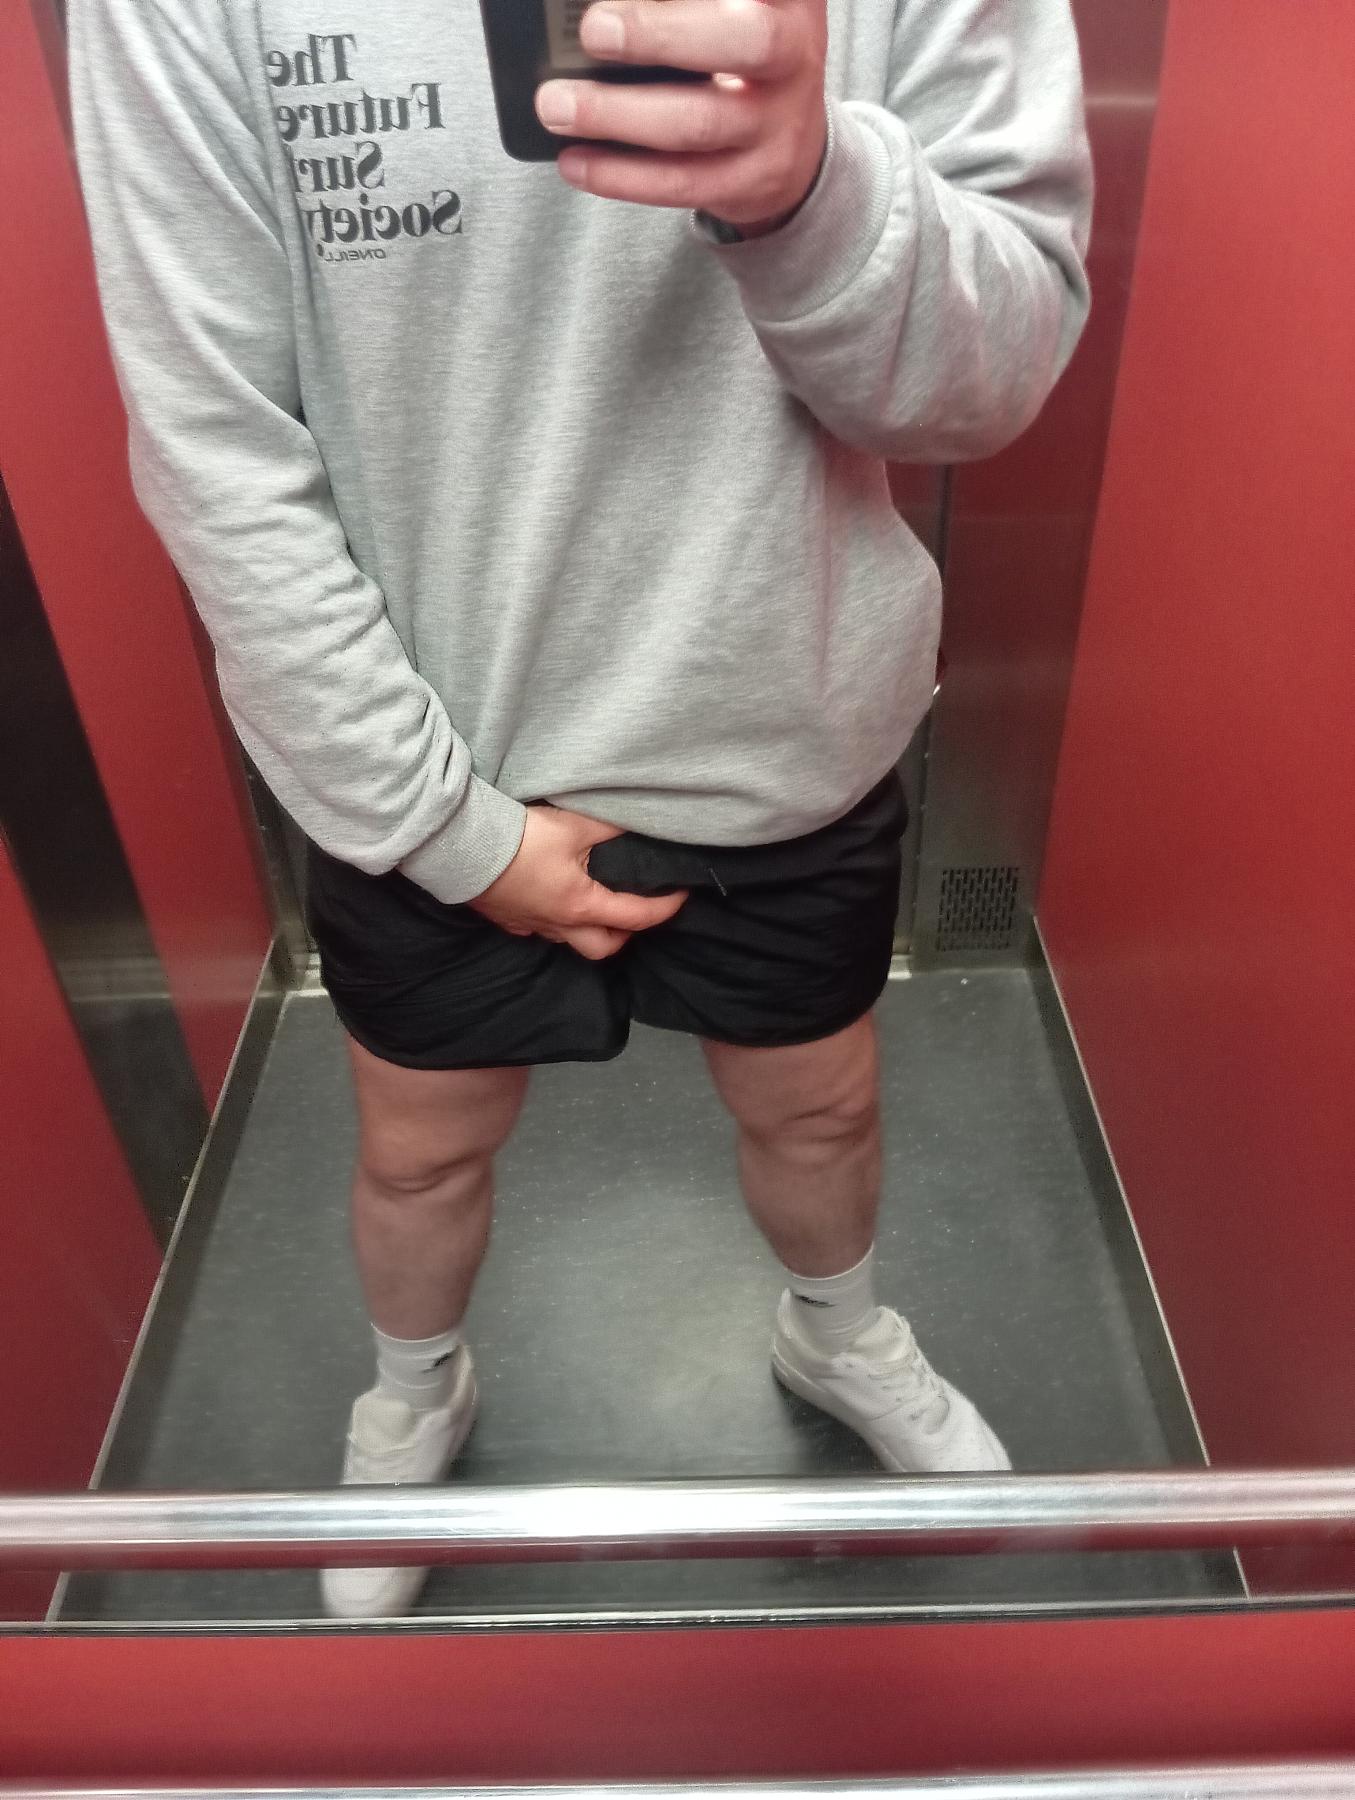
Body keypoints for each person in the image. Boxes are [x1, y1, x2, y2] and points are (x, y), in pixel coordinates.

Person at [69, 0, 1093, 1616]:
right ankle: (416, 1392)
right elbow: (213, 439)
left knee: (821, 1108)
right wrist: (442, 827)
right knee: (421, 1153)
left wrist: (808, 187)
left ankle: (838, 1335)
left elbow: (993, 375)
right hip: (429, 740)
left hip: (778, 714)